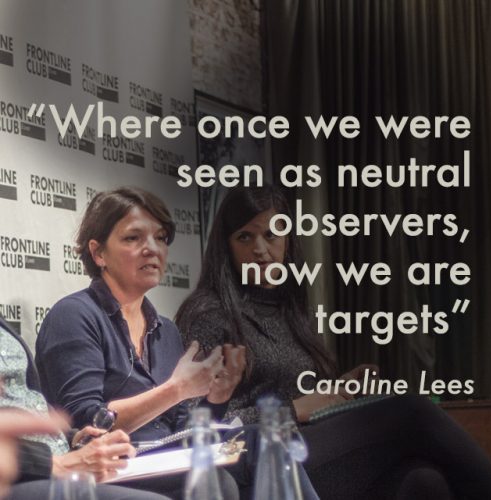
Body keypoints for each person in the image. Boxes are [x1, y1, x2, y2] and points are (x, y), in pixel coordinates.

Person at [176, 184, 491, 500]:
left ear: (288, 240)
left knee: (423, 480)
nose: (260, 248)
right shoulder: (209, 314)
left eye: (271, 234)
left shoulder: (290, 311)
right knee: (411, 410)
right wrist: (294, 410)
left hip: (315, 450)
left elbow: (301, 395)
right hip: (257, 461)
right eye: (245, 236)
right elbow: (193, 428)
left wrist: (337, 391)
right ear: (226, 246)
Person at [34, 187, 318, 500]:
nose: (151, 249)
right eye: (133, 238)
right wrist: (177, 389)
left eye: (160, 238)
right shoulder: (74, 315)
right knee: (219, 481)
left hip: (167, 459)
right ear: (98, 253)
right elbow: (86, 423)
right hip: (112, 467)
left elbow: (184, 429)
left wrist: (216, 399)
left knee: (264, 440)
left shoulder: (165, 330)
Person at [0, 316, 170, 500]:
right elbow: (84, 410)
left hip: (52, 461)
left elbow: (26, 398)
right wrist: (53, 463)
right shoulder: (73, 315)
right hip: (26, 474)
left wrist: (71, 439)